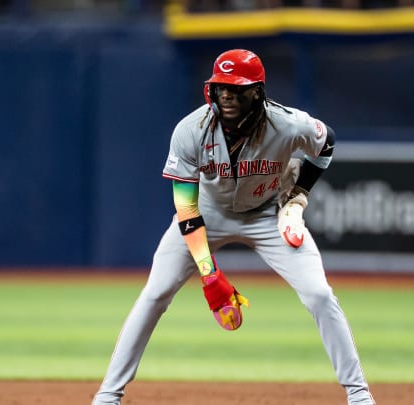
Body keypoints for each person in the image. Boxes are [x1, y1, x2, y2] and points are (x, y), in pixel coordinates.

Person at [92, 49, 375, 405]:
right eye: (221, 87)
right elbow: (185, 207)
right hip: (205, 216)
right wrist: (210, 276)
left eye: (236, 88)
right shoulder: (190, 130)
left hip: (267, 216)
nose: (226, 94)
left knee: (319, 294)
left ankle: (359, 395)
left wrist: (299, 194)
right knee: (155, 294)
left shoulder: (289, 124)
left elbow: (326, 142)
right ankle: (107, 396)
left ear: (257, 91)